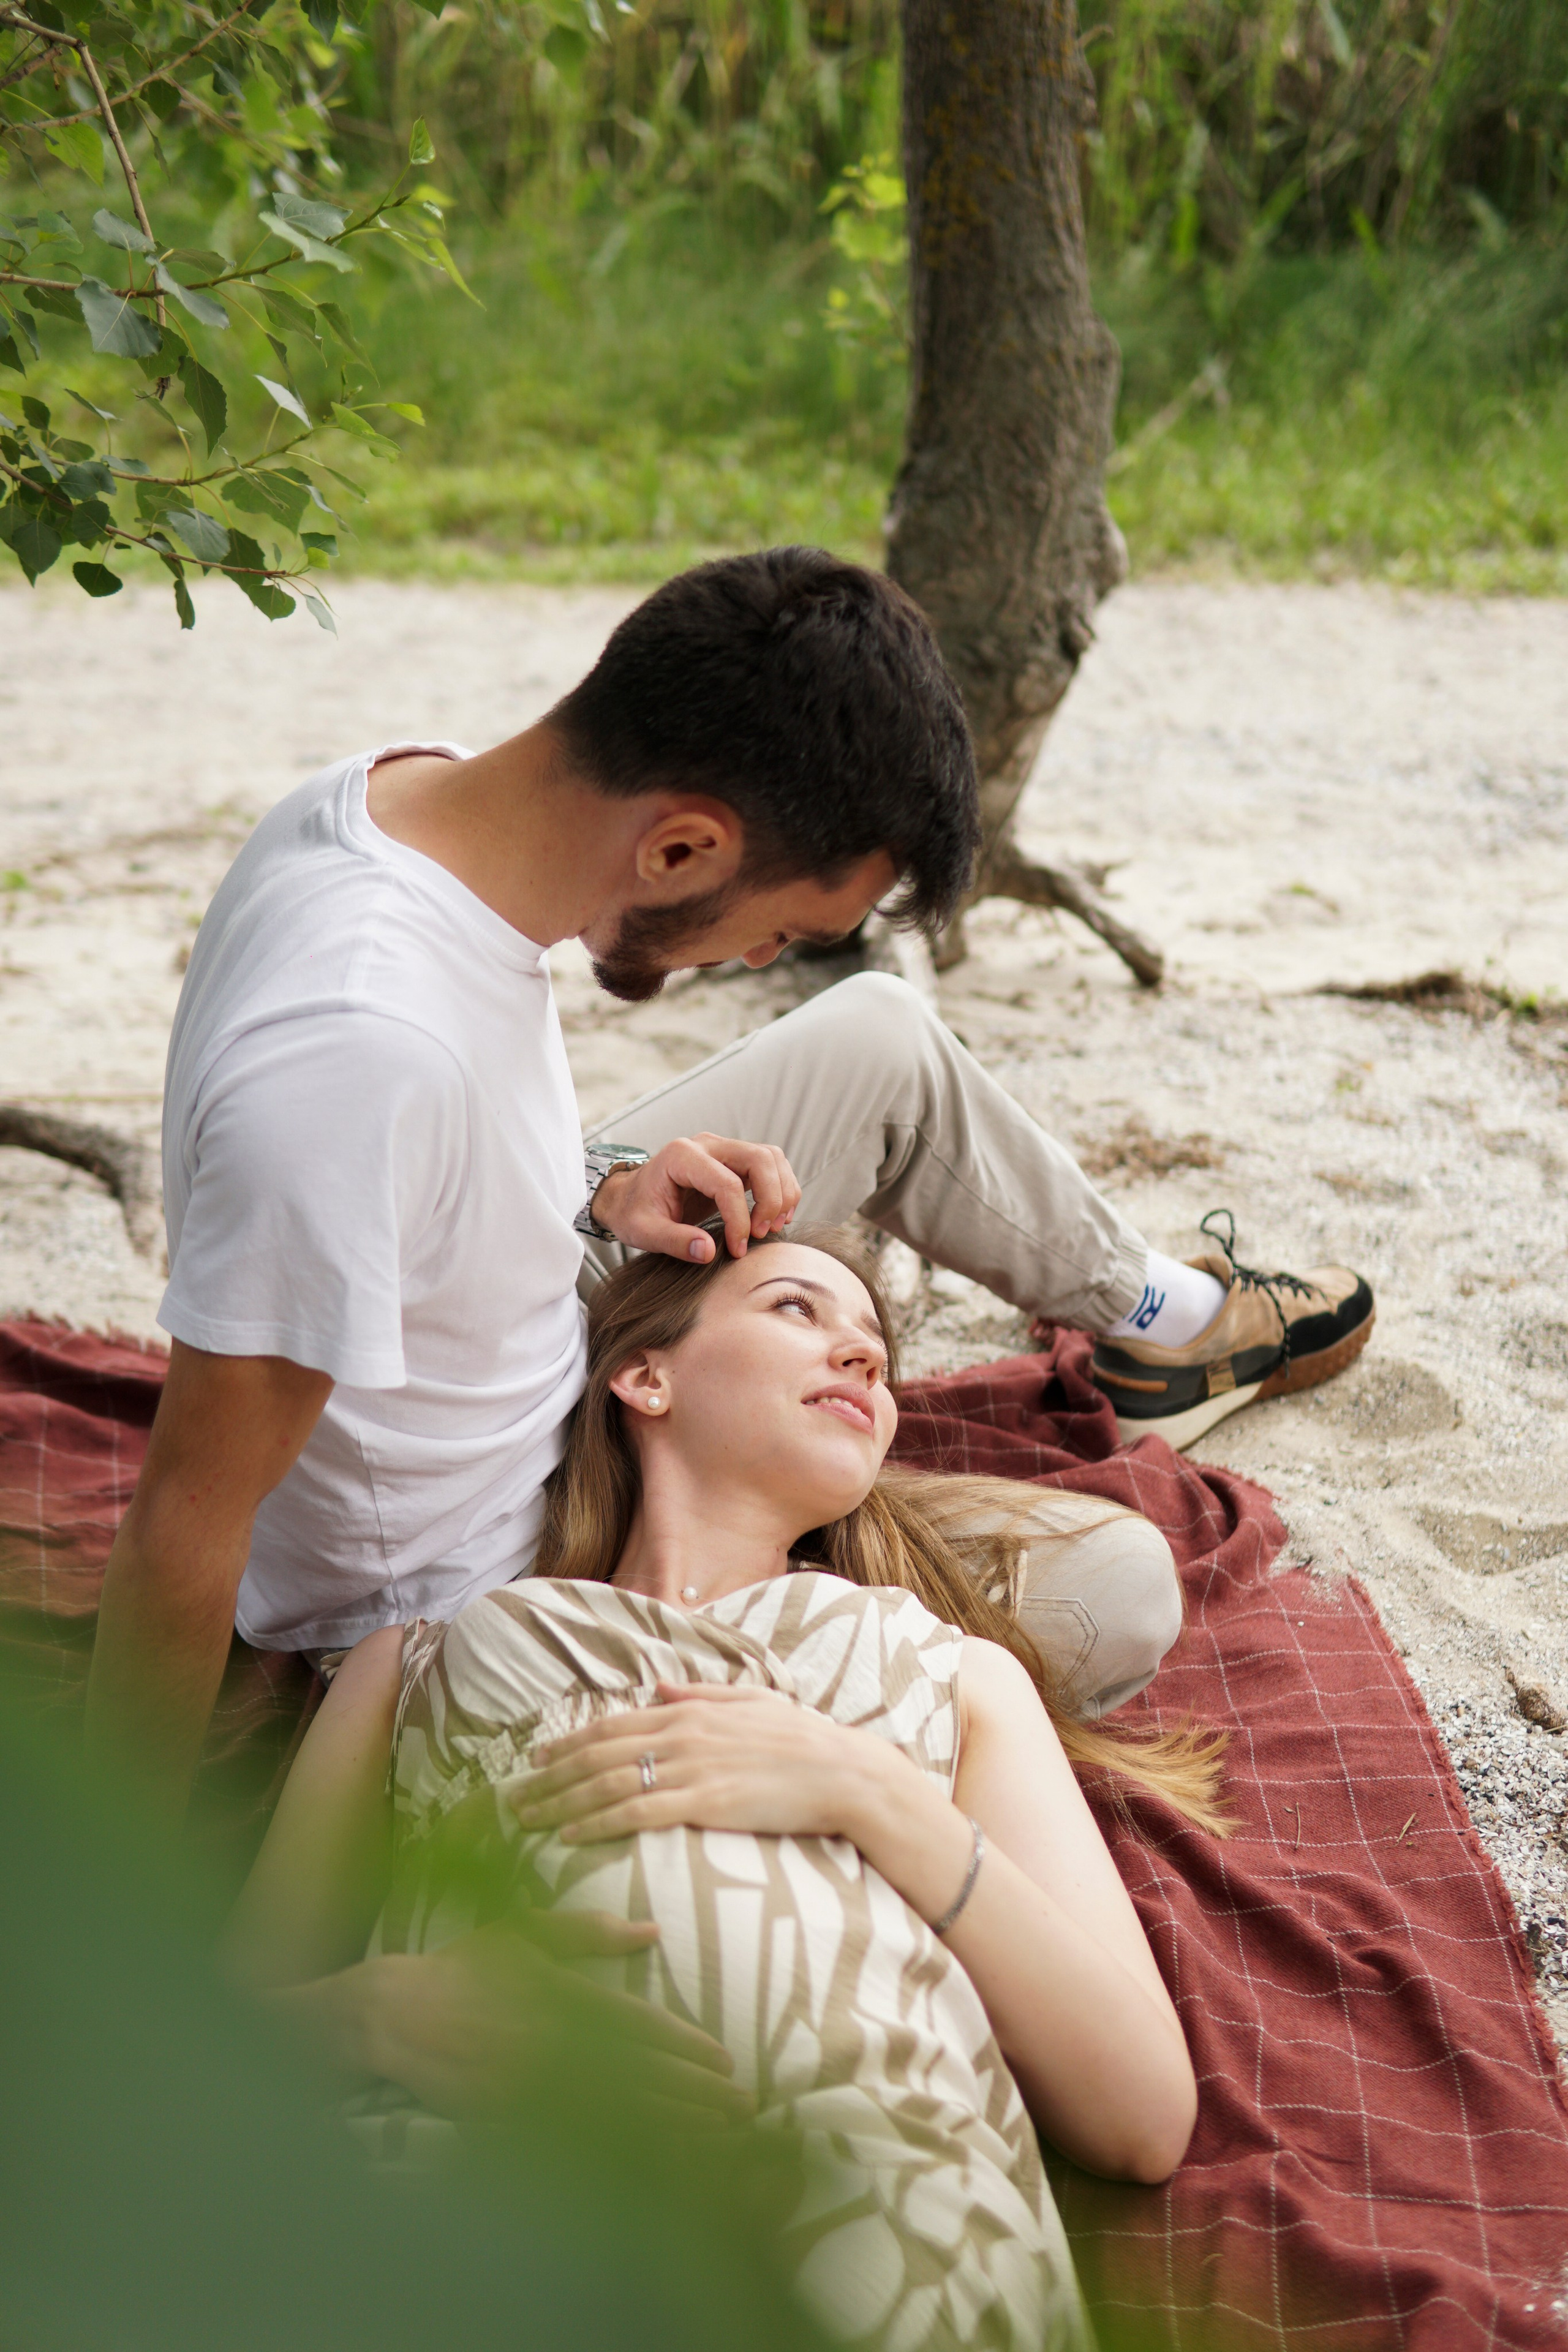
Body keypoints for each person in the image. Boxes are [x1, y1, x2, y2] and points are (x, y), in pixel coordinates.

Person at [86, 546, 1373, 1811]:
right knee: (1115, 1589)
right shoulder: (359, 1060)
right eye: (782, 929)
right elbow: (186, 1526)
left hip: (537, 1328)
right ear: (681, 849)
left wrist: (592, 1192)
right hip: (481, 1570)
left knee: (874, 1039)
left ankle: (1169, 1327)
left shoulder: (402, 802)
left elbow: (413, 1164)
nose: (760, 960)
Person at [227, 1229, 1227, 2352]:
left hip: (886, 2240)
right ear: (644, 1376)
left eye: (876, 1355)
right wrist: (376, 2013)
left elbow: (1145, 2117)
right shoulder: (419, 1661)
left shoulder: (950, 1674)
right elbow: (192, 2045)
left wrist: (874, 1795)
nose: (860, 1356)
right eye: (800, 1310)